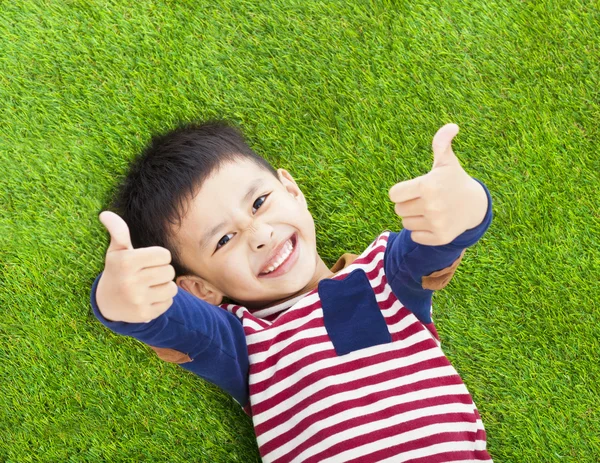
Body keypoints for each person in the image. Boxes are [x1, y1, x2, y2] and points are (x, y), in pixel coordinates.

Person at [91, 121, 493, 462]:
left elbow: (435, 242)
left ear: (292, 190)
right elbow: (165, 316)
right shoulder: (239, 343)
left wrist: (466, 206)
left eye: (260, 202)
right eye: (224, 239)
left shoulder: (384, 277)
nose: (260, 235)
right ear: (200, 288)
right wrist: (119, 299)